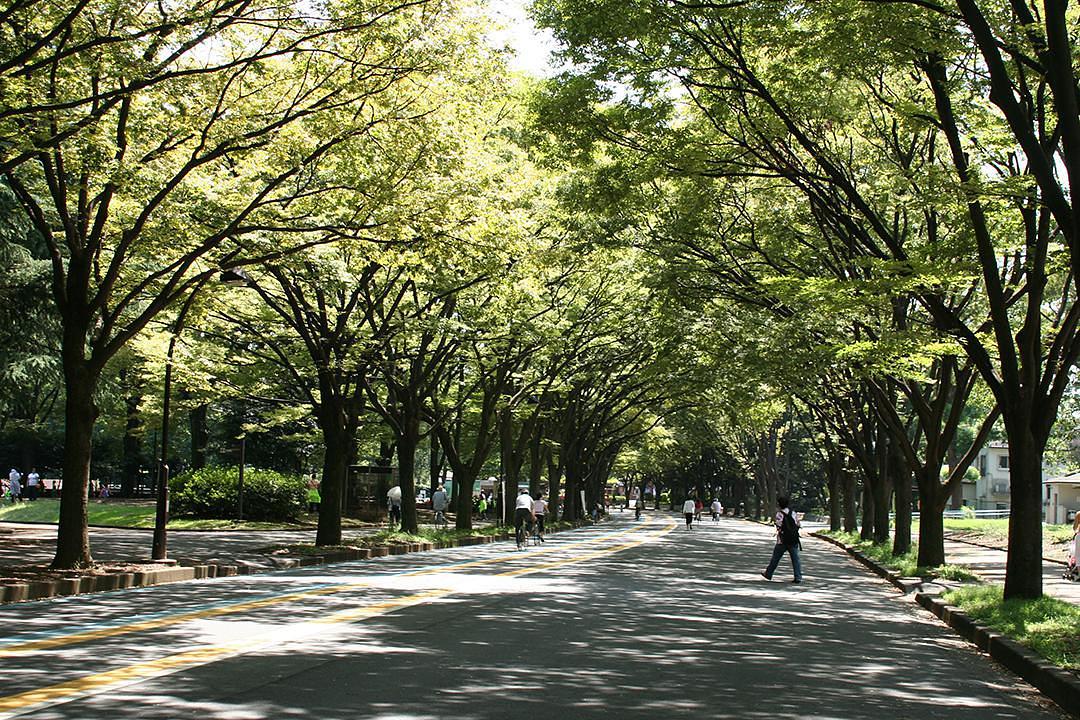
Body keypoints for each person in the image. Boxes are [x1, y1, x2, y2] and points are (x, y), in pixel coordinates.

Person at [761, 496, 803, 583]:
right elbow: (798, 524)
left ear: (779, 505)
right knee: (795, 559)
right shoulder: (793, 513)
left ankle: (768, 573)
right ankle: (798, 577)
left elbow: (778, 525)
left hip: (782, 540)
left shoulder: (779, 514)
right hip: (793, 540)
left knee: (775, 558)